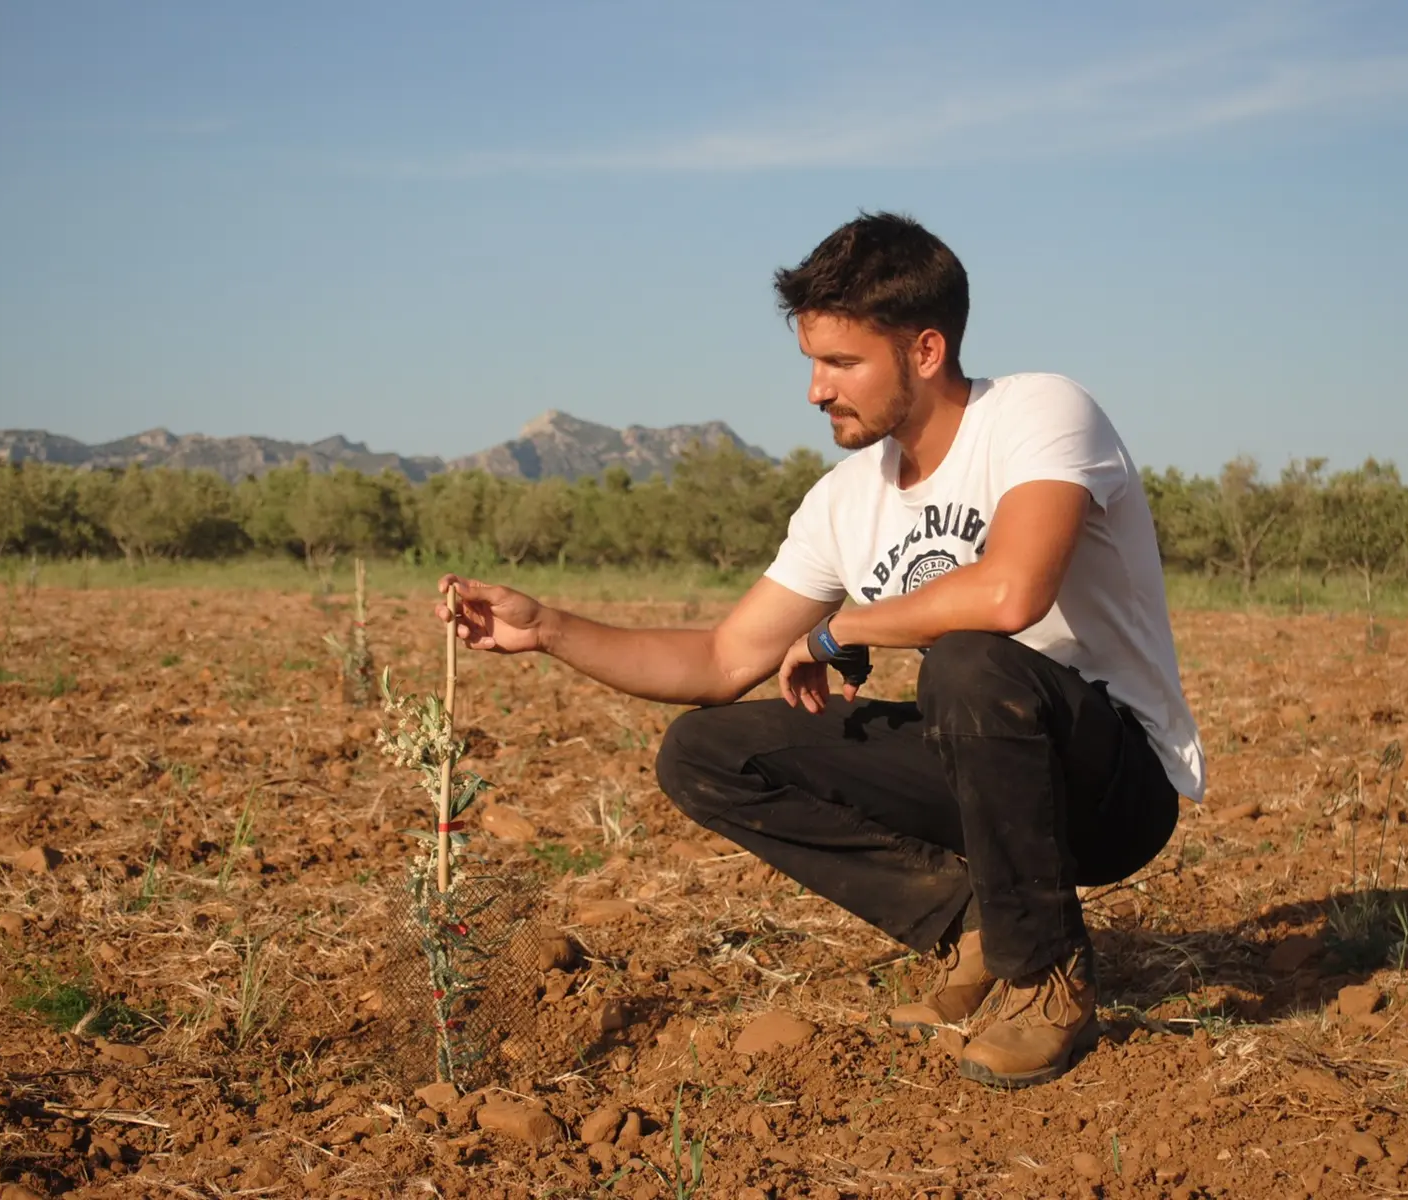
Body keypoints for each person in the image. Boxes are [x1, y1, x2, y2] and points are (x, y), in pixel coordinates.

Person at [437, 212, 1204, 1089]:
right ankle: (978, 925)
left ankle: (1046, 982)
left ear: (924, 350)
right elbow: (723, 660)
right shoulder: (846, 501)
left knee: (967, 658)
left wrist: (844, 629)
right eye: (811, 362)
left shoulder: (1038, 413)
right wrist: (550, 630)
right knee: (707, 750)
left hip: (1113, 783)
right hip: (984, 762)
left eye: (841, 364)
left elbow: (1009, 593)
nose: (815, 390)